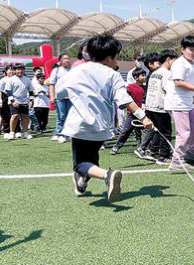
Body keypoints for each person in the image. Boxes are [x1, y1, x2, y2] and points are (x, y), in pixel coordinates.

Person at [56, 34, 153, 202]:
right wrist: (143, 117)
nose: (116, 61)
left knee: (80, 164)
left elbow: (59, 92)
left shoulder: (78, 70)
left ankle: (107, 175)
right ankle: (81, 183)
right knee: (91, 162)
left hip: (80, 125)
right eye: (116, 57)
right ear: (108, 58)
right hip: (102, 128)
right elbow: (125, 100)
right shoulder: (113, 75)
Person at [164, 35, 194, 171]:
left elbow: (191, 81)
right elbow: (178, 82)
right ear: (183, 49)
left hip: (187, 102)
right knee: (183, 133)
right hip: (177, 103)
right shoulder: (179, 64)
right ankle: (177, 161)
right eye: (191, 50)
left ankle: (192, 153)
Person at [137, 49, 177, 165]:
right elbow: (169, 90)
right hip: (161, 107)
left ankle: (153, 151)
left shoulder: (154, 73)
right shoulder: (167, 74)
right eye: (175, 60)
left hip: (151, 106)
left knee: (157, 132)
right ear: (168, 60)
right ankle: (163, 156)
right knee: (166, 132)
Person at [110, 68, 146, 155]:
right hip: (132, 114)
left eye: (145, 75)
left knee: (148, 131)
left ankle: (146, 146)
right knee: (125, 131)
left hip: (143, 114)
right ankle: (116, 146)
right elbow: (123, 96)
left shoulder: (146, 88)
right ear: (136, 77)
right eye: (142, 75)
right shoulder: (130, 87)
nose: (145, 77)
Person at [4, 63, 35, 140]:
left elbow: (31, 90)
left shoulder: (27, 79)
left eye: (21, 69)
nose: (20, 71)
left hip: (24, 101)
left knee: (25, 117)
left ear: (24, 70)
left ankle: (25, 133)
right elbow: (8, 91)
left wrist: (31, 99)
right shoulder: (11, 79)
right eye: (18, 69)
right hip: (14, 101)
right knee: (15, 116)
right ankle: (12, 133)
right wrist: (12, 101)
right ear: (14, 70)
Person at [48, 53, 72, 143]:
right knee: (61, 116)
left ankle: (67, 134)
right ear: (61, 61)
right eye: (65, 58)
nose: (68, 60)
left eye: (68, 58)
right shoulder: (56, 70)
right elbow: (52, 84)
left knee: (69, 116)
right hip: (60, 97)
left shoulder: (71, 71)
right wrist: (52, 96)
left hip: (70, 97)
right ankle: (60, 134)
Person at [0, 65, 14, 136]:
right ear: (6, 71)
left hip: (15, 97)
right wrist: (0, 100)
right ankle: (6, 131)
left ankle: (16, 131)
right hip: (5, 97)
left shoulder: (17, 79)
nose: (11, 71)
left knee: (15, 114)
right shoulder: (3, 80)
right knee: (5, 115)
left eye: (12, 70)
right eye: (9, 70)